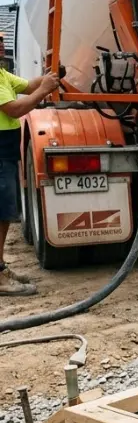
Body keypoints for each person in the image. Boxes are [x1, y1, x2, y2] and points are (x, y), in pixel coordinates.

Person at [0, 34, 60, 295]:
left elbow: (27, 86)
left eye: (1, 40)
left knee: (4, 214)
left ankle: (0, 268)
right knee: (1, 214)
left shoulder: (2, 74)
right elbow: (14, 108)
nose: (2, 44)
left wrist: (49, 78)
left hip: (5, 152)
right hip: (0, 153)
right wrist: (44, 90)